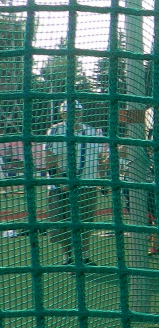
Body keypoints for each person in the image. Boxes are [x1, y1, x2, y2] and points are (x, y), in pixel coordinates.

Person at [42, 100, 107, 266]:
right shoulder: (56, 131)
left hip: (87, 185)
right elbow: (49, 160)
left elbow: (99, 159)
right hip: (62, 187)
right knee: (62, 223)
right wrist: (60, 182)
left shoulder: (92, 131)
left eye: (77, 111)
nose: (74, 115)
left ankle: (83, 257)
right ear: (62, 114)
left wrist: (103, 180)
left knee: (85, 222)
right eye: (70, 112)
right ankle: (68, 257)